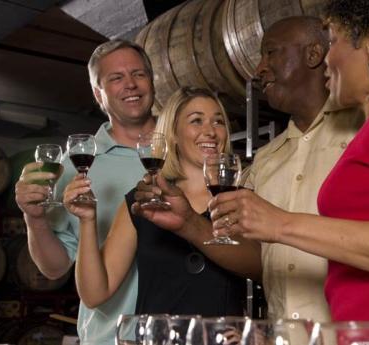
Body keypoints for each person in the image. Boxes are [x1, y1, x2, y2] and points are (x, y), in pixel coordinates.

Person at [133, 13, 369, 324]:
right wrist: (191, 225)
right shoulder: (264, 161)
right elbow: (266, 264)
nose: (259, 69)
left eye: (271, 53)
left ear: (317, 53)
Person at [15, 39, 156, 345]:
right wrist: (34, 219)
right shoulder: (76, 166)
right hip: (109, 338)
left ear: (152, 80)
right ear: (98, 94)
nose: (130, 84)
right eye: (116, 78)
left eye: (139, 74)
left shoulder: (183, 147)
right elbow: (54, 267)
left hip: (184, 331)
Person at [62, 87, 249, 316]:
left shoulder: (242, 199)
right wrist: (87, 220)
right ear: (173, 134)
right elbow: (94, 295)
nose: (210, 131)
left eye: (218, 122)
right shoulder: (142, 200)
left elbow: (261, 267)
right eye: (196, 121)